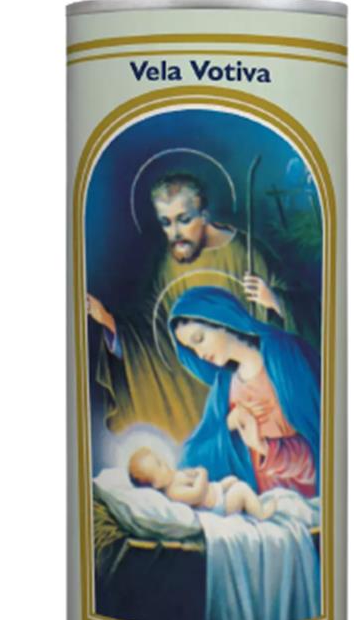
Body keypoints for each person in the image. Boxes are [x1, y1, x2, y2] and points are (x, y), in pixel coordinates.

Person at [85, 172, 295, 442]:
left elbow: (298, 313)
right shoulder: (168, 264)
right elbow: (155, 328)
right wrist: (110, 322)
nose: (175, 233)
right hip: (190, 391)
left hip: (248, 387)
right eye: (166, 222)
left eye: (184, 220)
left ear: (204, 216)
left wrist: (274, 300)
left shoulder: (247, 253)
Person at [169, 286, 319, 496]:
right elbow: (190, 459)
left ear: (221, 319)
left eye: (199, 339)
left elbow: (322, 437)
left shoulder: (284, 353)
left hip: (311, 501)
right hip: (263, 506)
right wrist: (228, 425)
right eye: (192, 349)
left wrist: (263, 447)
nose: (200, 354)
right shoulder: (224, 386)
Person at [127, 447, 275, 519]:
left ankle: (250, 505)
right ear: (156, 485)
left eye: (160, 460)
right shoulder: (174, 492)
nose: (164, 463)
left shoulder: (173, 477)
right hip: (218, 508)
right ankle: (261, 513)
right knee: (241, 489)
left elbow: (189, 477)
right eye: (159, 465)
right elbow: (197, 494)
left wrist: (192, 473)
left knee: (232, 480)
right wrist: (202, 475)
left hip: (216, 492)